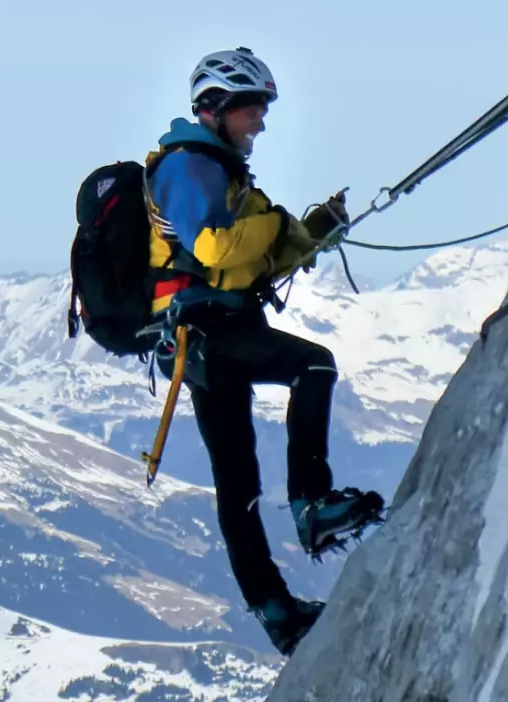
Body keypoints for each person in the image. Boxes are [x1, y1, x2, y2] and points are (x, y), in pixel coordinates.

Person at [141, 47, 385, 655]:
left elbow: (253, 260)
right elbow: (218, 250)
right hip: (210, 329)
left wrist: (311, 231)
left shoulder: (215, 169)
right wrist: (280, 227)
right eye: (252, 108)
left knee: (237, 483)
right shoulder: (189, 167)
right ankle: (313, 504)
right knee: (313, 364)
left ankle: (278, 612)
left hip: (200, 340)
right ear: (216, 108)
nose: (261, 122)